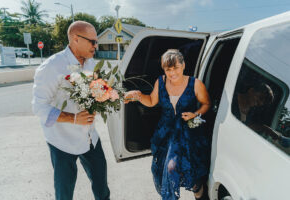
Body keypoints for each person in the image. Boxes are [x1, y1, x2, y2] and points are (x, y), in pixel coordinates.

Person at [32, 21, 110, 200]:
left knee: (102, 188)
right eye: (92, 41)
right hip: (62, 141)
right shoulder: (52, 66)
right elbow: (39, 107)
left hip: (90, 138)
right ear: (76, 39)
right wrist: (74, 118)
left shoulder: (91, 63)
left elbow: (97, 90)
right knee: (65, 193)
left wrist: (105, 97)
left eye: (96, 41)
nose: (95, 46)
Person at [125, 49, 211, 200]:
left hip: (187, 134)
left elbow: (206, 104)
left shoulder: (195, 83)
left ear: (183, 65)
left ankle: (198, 190)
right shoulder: (161, 81)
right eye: (168, 69)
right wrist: (138, 95)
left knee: (177, 169)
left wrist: (195, 114)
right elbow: (151, 101)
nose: (172, 73)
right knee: (163, 169)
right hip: (165, 134)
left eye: (176, 68)